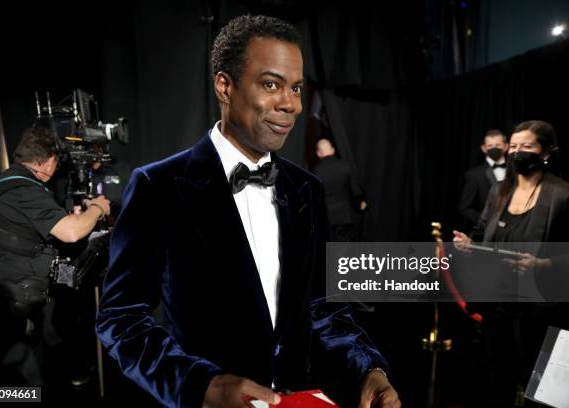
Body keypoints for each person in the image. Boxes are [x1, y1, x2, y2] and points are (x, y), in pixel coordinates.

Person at [96, 15, 400, 408]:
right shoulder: (159, 186)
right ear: (225, 86)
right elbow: (121, 319)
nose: (290, 104)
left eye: (296, 88)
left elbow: (325, 307)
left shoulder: (307, 190)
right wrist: (203, 386)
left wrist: (368, 369)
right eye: (271, 84)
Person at [0, 127, 111, 385]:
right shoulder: (25, 191)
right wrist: (98, 208)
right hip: (7, 315)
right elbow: (72, 232)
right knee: (24, 383)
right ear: (49, 161)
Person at [453, 120, 569, 407]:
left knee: (539, 388)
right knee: (496, 381)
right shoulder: (498, 191)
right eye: (514, 145)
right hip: (498, 305)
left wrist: (543, 264)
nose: (517, 151)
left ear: (546, 152)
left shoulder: (565, 195)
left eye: (527, 146)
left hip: (540, 308)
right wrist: (468, 245)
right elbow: (482, 235)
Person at [313, 138, 367, 242]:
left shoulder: (314, 172)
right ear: (333, 150)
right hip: (345, 217)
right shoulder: (345, 166)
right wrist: (361, 202)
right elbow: (355, 191)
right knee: (343, 252)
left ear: (319, 153)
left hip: (325, 219)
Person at [458, 129, 508, 232]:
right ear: (484, 148)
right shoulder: (474, 175)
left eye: (498, 145)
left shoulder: (516, 172)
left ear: (506, 146)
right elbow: (465, 208)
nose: (494, 148)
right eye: (490, 146)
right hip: (485, 232)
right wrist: (486, 223)